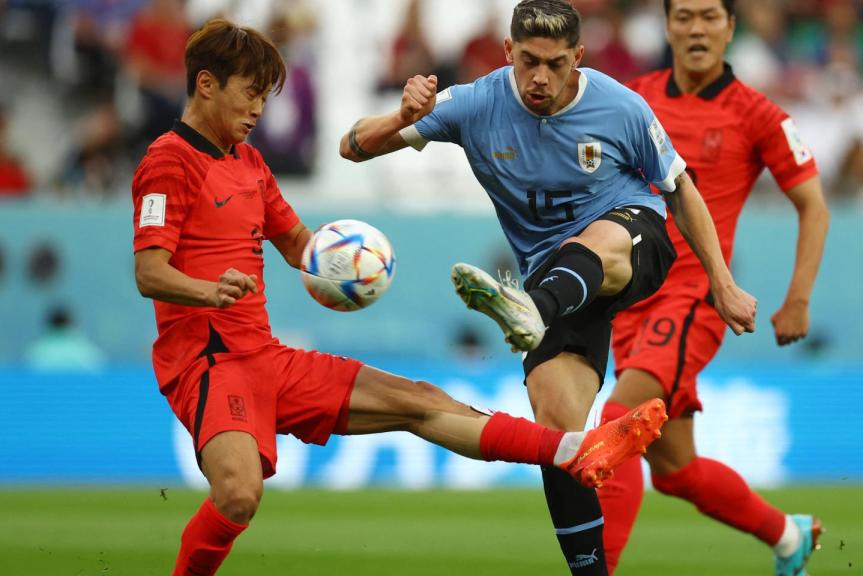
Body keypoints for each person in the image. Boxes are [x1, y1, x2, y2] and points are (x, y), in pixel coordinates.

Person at [132, 18, 669, 576]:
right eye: (250, 95)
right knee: (238, 495)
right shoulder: (168, 161)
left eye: (265, 98)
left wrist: (353, 261)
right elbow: (150, 272)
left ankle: (572, 451)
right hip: (210, 361)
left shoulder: (249, 163)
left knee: (416, 401)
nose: (258, 111)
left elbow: (297, 245)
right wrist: (209, 290)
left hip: (265, 357)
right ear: (206, 85)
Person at [339, 1, 757, 573]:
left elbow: (680, 189)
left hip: (632, 241)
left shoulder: (620, 108)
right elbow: (352, 146)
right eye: (529, 61)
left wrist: (723, 283)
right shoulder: (475, 103)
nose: (540, 77)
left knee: (598, 243)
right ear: (508, 52)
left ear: (577, 59)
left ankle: (528, 308)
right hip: (555, 281)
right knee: (558, 437)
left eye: (556, 64)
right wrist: (402, 116)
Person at [595, 1, 830, 575]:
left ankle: (597, 568)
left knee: (617, 424)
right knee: (676, 472)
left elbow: (813, 204)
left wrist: (796, 298)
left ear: (730, 27)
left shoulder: (758, 115)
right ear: (668, 26)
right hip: (629, 298)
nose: (696, 29)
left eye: (709, 17)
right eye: (684, 17)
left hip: (694, 298)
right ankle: (787, 536)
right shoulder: (632, 98)